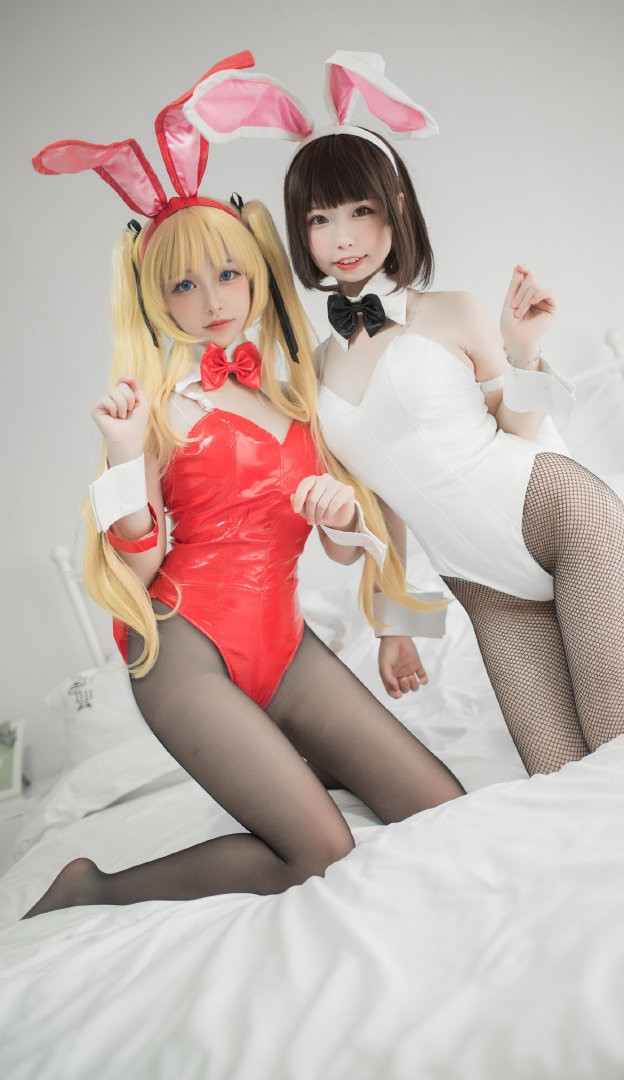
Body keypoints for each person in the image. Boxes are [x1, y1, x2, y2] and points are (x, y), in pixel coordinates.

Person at [24, 55, 464, 918]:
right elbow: (135, 568)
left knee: (441, 806)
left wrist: (341, 515)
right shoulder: (154, 406)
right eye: (182, 285)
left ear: (258, 270)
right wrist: (122, 455)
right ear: (156, 300)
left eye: (226, 273)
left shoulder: (299, 396)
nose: (211, 299)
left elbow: (346, 547)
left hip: (283, 644)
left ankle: (297, 760)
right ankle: (90, 886)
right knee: (319, 853)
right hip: (181, 651)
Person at [273, 52, 624, 776]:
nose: (343, 237)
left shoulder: (452, 311)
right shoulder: (316, 371)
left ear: (396, 208)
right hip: (483, 587)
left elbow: (517, 431)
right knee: (562, 777)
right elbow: (374, 517)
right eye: (319, 219)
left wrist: (520, 352)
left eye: (360, 210)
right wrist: (395, 626)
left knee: (619, 748)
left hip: (559, 517)